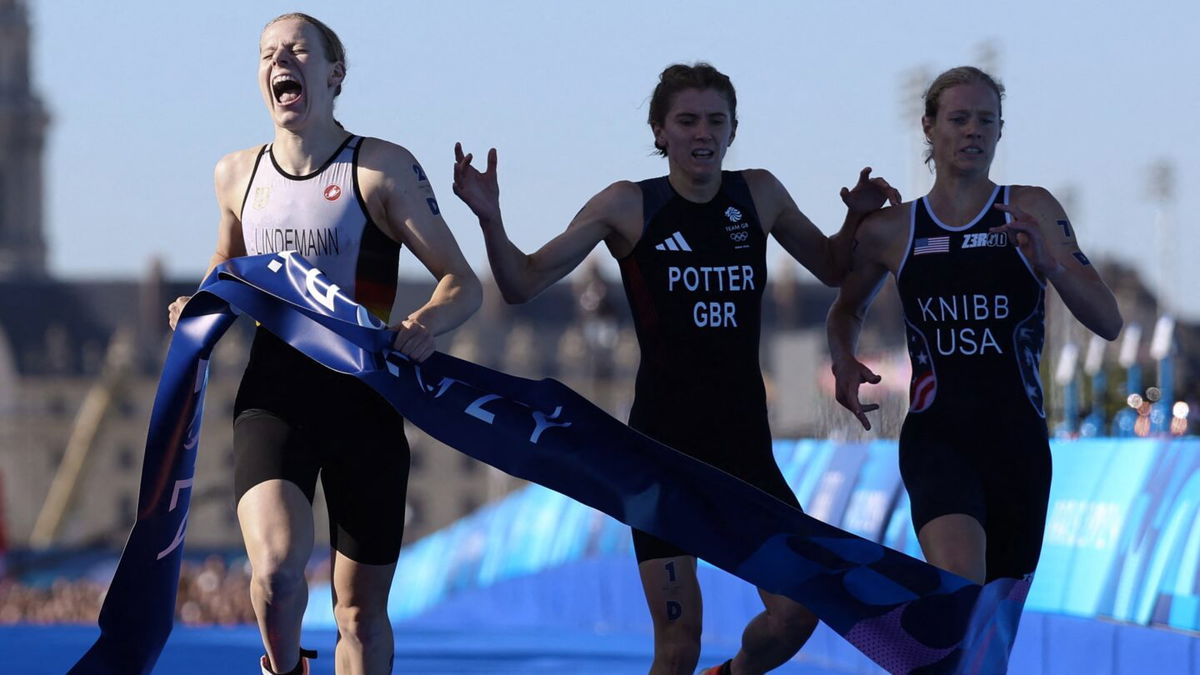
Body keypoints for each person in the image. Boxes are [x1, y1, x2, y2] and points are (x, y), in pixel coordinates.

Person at [453, 62, 899, 675]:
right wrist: (489, 216)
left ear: (733, 129)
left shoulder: (760, 194)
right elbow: (522, 282)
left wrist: (855, 219)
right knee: (679, 642)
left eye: (716, 120)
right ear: (660, 132)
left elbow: (828, 265)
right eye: (686, 120)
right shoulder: (629, 204)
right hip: (660, 455)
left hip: (745, 451)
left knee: (799, 612)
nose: (702, 133)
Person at [167, 13, 481, 675]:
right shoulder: (236, 174)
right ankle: (286, 668)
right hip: (275, 394)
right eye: (267, 53)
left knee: (359, 611)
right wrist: (197, 307)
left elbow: (463, 283)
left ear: (334, 75)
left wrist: (426, 321)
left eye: (297, 50)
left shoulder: (381, 169)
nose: (281, 60)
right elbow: (226, 269)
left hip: (365, 396)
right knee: (278, 572)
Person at [826, 66, 1122, 588]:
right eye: (959, 119)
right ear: (928, 128)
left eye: (986, 120)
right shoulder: (893, 230)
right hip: (938, 438)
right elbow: (846, 309)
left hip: (1019, 444)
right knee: (962, 589)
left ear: (1001, 131)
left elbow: (1108, 320)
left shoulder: (1031, 208)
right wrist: (844, 359)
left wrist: (1050, 266)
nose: (973, 131)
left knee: (992, 633)